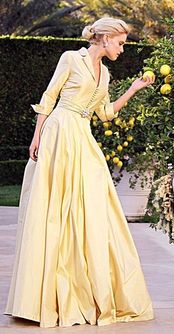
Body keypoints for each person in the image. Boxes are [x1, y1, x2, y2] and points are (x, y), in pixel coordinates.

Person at [4, 17, 155, 328]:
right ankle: (44, 298)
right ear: (105, 38)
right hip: (60, 132)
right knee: (54, 208)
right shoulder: (71, 58)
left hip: (83, 138)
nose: (123, 49)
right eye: (121, 42)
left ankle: (81, 285)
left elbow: (106, 113)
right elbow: (49, 96)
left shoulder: (105, 76)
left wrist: (135, 89)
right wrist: (37, 137)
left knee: (94, 206)